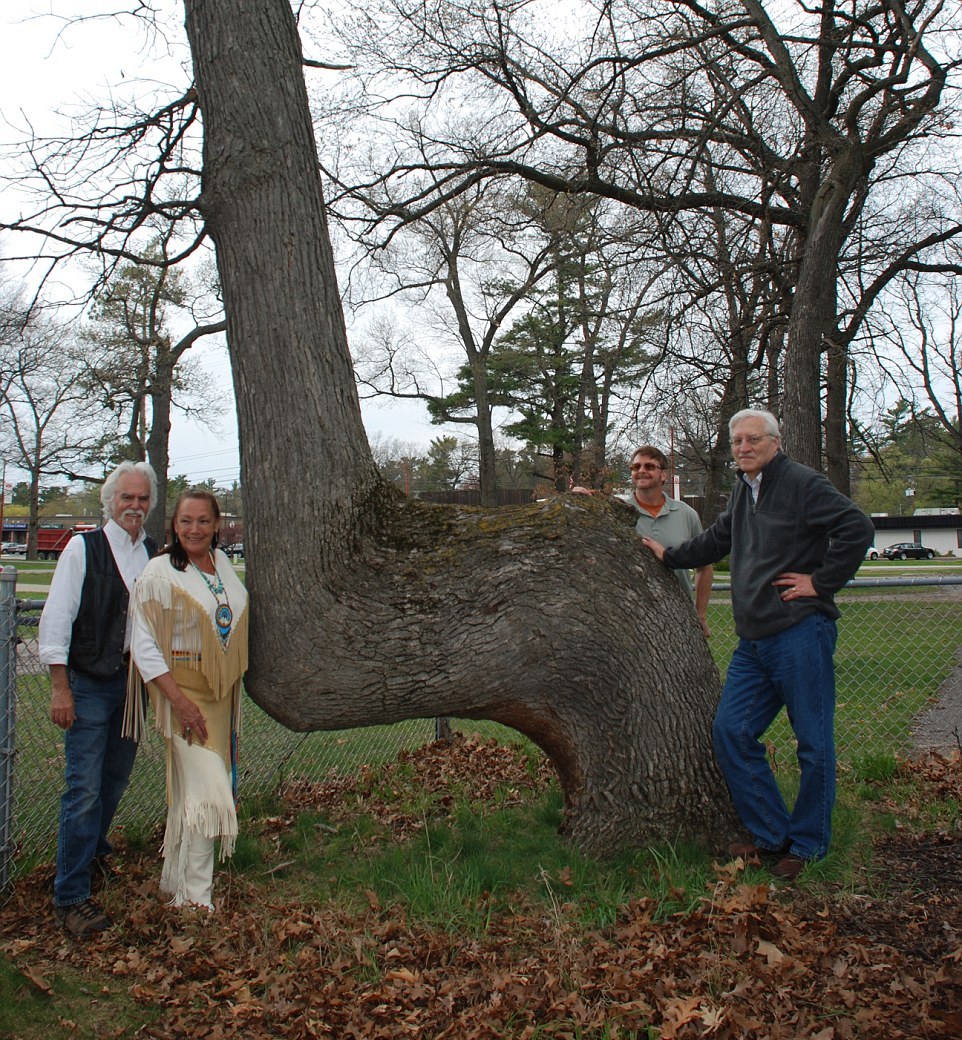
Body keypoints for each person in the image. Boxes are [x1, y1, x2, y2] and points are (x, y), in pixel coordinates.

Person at [642, 409, 874, 881]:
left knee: (813, 744)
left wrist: (820, 582)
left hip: (799, 632)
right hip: (753, 642)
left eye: (753, 439)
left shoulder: (801, 483)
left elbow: (857, 528)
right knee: (731, 732)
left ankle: (808, 844)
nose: (743, 448)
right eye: (737, 441)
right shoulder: (744, 490)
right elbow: (716, 539)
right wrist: (669, 555)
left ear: (775, 442)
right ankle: (770, 832)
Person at [40, 461, 159, 936]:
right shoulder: (82, 548)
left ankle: (90, 856)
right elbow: (56, 618)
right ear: (110, 501)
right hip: (88, 683)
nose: (135, 506)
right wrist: (60, 687)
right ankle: (70, 895)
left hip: (132, 686)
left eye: (143, 498)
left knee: (113, 782)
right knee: (84, 788)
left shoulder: (151, 552)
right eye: (127, 497)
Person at [126, 489, 248, 911]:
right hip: (181, 692)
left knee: (190, 793)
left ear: (216, 525)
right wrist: (178, 701)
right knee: (208, 793)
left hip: (219, 692)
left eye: (203, 521)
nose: (194, 529)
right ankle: (197, 901)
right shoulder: (160, 571)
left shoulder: (223, 564)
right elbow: (143, 645)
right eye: (185, 521)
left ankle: (175, 884)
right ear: (174, 526)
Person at [616, 445, 713, 638]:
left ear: (663, 475)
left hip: (678, 616)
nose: (641, 471)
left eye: (649, 466)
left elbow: (705, 566)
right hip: (630, 618)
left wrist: (700, 615)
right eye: (636, 467)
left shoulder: (686, 514)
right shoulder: (617, 511)